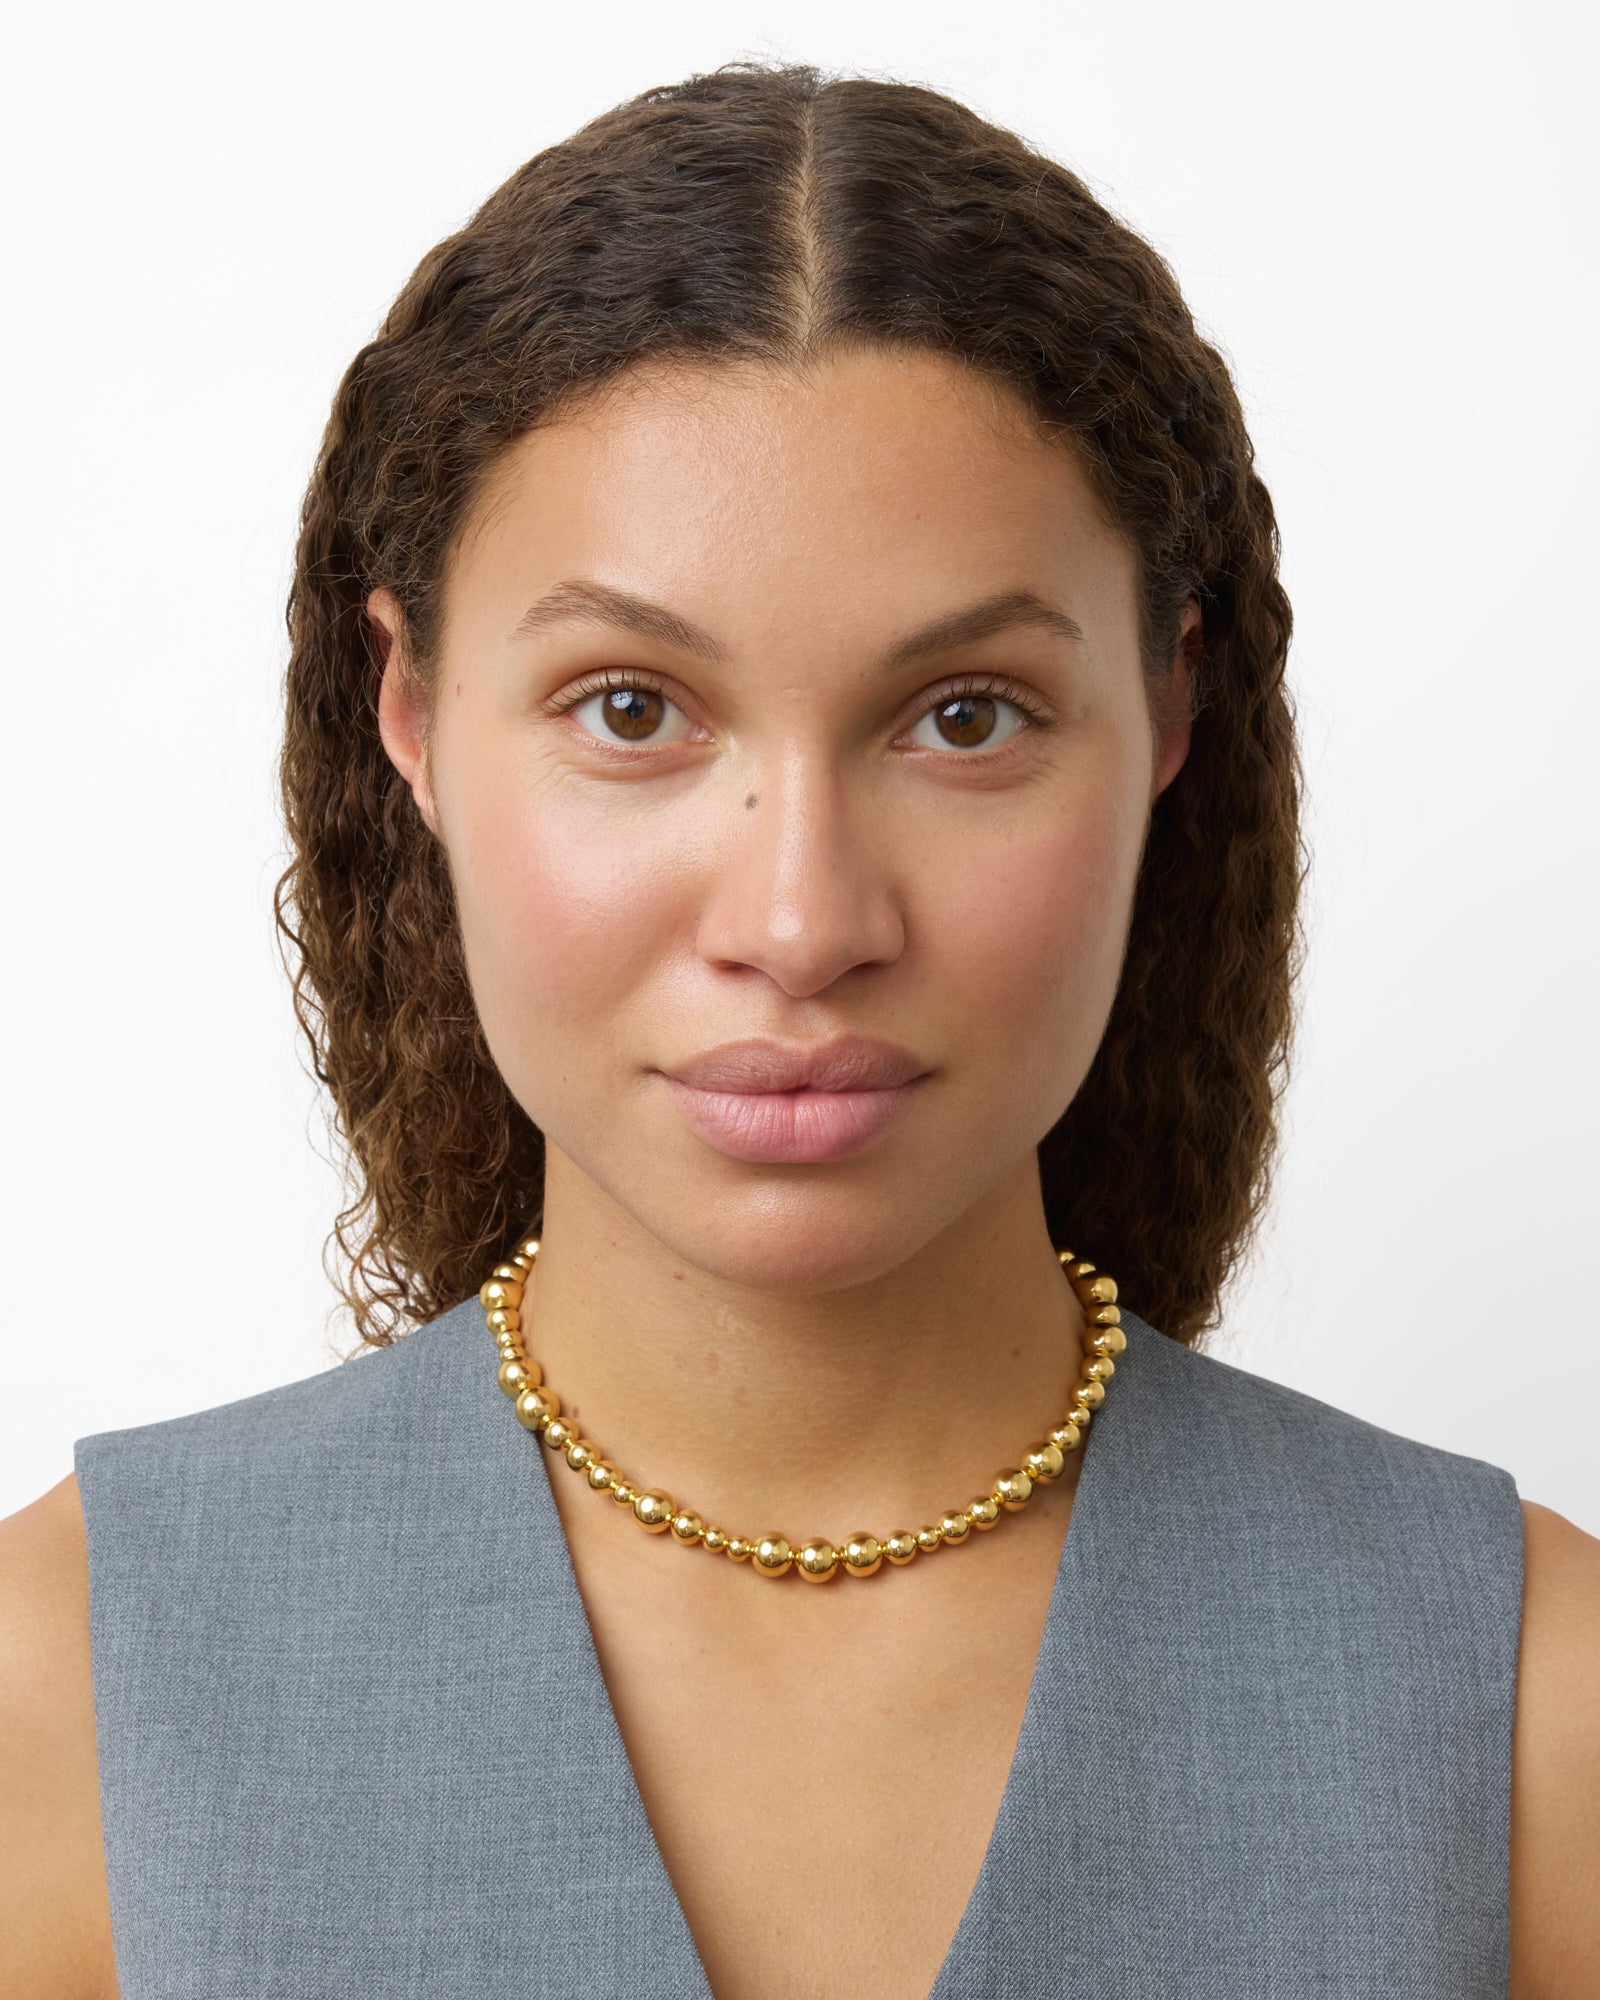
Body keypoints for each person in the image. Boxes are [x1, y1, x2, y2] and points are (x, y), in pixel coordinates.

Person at [1, 57, 1595, 2000]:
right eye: (629, 709)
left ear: (1169, 710)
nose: (800, 921)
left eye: (964, 717)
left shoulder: (1534, 1716)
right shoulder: (60, 1696)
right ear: (408, 710)